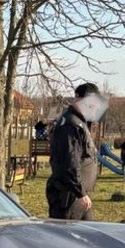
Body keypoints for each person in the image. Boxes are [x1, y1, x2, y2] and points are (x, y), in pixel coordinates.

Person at [46, 83, 107, 220]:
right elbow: (69, 163)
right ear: (79, 99)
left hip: (76, 195)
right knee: (69, 232)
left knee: (88, 231)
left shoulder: (79, 123)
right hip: (68, 195)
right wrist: (80, 192)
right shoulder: (70, 125)